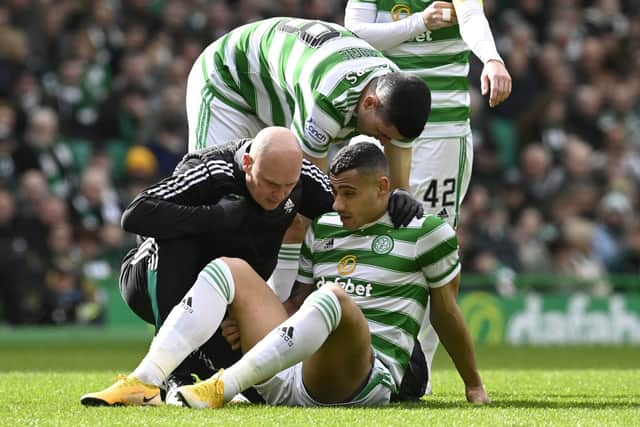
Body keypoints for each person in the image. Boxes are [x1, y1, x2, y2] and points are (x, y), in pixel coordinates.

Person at [81, 142, 489, 407]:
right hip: (290, 368)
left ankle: (221, 386)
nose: (336, 203)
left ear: (383, 187)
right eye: (336, 192)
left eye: (349, 194)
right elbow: (295, 304)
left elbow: (446, 313)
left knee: (332, 299)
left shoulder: (428, 231)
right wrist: (252, 321)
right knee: (229, 270)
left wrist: (473, 385)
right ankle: (144, 379)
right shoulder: (325, 228)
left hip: (361, 378)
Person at [185, 17, 432, 300]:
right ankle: (207, 309)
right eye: (381, 133)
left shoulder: (397, 94)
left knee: (288, 208)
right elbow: (311, 198)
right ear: (369, 103)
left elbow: (397, 184)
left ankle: (270, 316)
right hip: (229, 86)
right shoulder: (330, 97)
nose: (383, 142)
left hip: (281, 96)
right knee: (228, 203)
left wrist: (399, 196)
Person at [344, 0, 512, 393]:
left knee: (432, 243)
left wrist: (492, 59)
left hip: (443, 132)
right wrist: (421, 22)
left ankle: (418, 373)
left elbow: (471, 16)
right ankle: (369, 358)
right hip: (379, 124)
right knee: (369, 236)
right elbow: (355, 33)